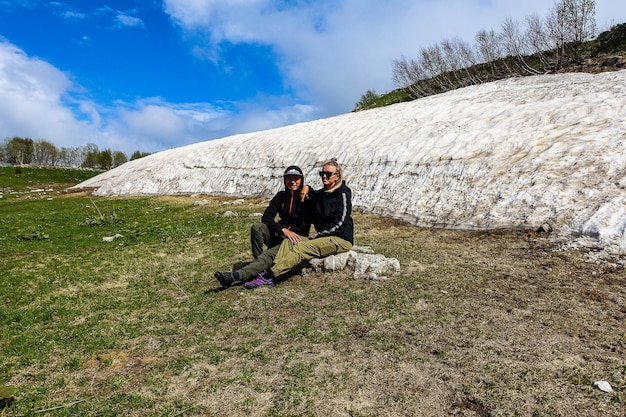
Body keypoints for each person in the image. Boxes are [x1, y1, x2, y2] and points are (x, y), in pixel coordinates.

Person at [244, 158, 353, 289]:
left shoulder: (343, 195)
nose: (324, 176)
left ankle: (269, 275)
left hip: (340, 238)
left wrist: (321, 236)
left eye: (328, 174)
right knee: (288, 241)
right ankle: (269, 269)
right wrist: (306, 188)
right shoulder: (320, 194)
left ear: (337, 176)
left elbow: (341, 222)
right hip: (321, 237)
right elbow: (267, 217)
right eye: (322, 173)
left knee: (301, 248)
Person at [214, 165, 311, 287]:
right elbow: (266, 218)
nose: (292, 181)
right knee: (257, 227)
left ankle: (236, 276)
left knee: (268, 256)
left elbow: (321, 194)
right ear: (284, 180)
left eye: (296, 178)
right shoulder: (281, 196)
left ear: (302, 180)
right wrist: (283, 230)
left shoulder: (307, 197)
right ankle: (259, 266)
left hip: (295, 239)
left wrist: (308, 188)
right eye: (289, 178)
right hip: (280, 234)